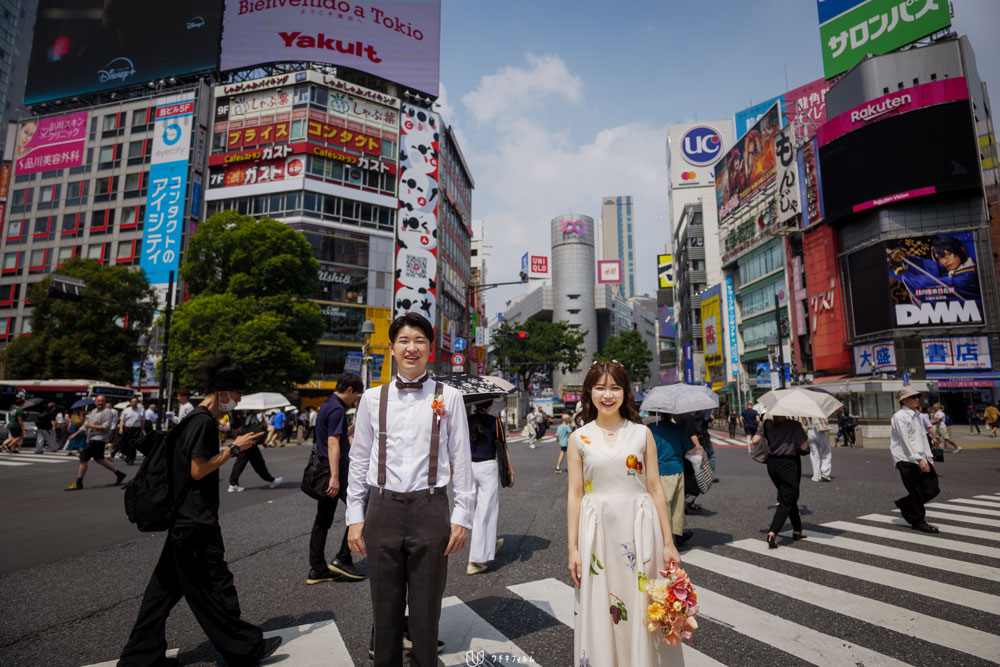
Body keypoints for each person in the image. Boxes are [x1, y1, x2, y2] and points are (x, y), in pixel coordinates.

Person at [117, 354, 281, 666]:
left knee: (160, 594)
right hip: (196, 523)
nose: (238, 399)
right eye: (236, 394)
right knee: (216, 587)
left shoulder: (192, 417)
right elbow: (197, 470)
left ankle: (140, 658)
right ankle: (244, 648)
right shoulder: (204, 423)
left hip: (183, 520)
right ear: (223, 391)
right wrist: (234, 449)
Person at [346, 313, 473, 667]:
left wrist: (462, 517)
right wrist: (355, 516)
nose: (411, 347)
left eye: (419, 340)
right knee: (384, 612)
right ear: (391, 349)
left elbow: (461, 460)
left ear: (430, 350)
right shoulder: (372, 398)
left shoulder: (449, 398)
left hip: (431, 509)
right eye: (404, 340)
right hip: (382, 508)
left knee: (426, 614)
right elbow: (358, 460)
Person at [567, 361, 681, 666]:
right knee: (602, 605)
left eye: (615, 387)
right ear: (589, 391)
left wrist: (668, 542)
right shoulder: (579, 438)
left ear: (625, 392)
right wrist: (573, 548)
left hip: (639, 529)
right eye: (600, 387)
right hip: (597, 533)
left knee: (642, 602)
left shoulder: (642, 434)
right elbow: (575, 494)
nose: (607, 395)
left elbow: (656, 488)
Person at [307, 373, 365, 585]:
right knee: (360, 506)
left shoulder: (326, 405)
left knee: (322, 519)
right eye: (355, 394)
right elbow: (333, 443)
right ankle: (343, 557)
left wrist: (353, 428)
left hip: (321, 466)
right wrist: (335, 476)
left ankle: (317, 568)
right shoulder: (339, 408)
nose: (355, 399)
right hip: (335, 467)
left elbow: (334, 435)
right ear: (349, 390)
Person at [467, 401, 514, 575]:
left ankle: (489, 542)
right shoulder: (494, 421)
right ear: (489, 406)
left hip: (470, 467)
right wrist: (510, 470)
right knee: (486, 511)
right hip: (487, 466)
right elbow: (502, 446)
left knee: (474, 509)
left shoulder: (467, 420)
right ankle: (475, 560)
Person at [751, 414, 809, 548]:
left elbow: (755, 440)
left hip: (772, 464)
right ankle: (773, 532)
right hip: (789, 463)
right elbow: (804, 447)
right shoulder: (794, 425)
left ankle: (797, 530)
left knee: (789, 496)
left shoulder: (766, 424)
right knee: (786, 500)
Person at [890, 387, 940, 534]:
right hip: (906, 458)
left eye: (918, 396)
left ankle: (906, 503)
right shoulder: (900, 417)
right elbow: (905, 440)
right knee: (916, 490)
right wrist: (918, 459)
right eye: (913, 397)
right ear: (904, 400)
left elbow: (922, 435)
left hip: (921, 456)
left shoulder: (917, 414)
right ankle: (918, 521)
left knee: (933, 487)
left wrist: (928, 455)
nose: (917, 399)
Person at [649, 412, 703, 548]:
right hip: (675, 469)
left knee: (660, 504)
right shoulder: (679, 429)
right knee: (676, 505)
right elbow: (692, 450)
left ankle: (658, 536)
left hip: (654, 470)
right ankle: (677, 534)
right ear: (672, 413)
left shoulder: (650, 428)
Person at [65, 395, 127, 491]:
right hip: (92, 438)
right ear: (95, 402)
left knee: (83, 459)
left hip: (98, 439)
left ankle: (78, 483)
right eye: (98, 401)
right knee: (99, 459)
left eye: (102, 401)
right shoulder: (93, 412)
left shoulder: (107, 412)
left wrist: (91, 426)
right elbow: (85, 426)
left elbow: (106, 427)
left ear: (105, 402)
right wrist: (74, 435)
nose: (100, 403)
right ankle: (119, 474)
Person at [116, 397, 145, 465]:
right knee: (125, 444)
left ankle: (131, 459)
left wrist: (142, 430)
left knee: (132, 444)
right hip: (127, 428)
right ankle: (127, 455)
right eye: (133, 401)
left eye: (136, 401)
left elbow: (142, 421)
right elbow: (122, 420)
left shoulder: (141, 410)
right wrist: (121, 428)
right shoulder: (126, 410)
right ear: (130, 403)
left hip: (136, 429)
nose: (134, 403)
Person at [806, 417, 832, 482]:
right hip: (818, 431)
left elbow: (804, 423)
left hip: (809, 432)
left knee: (814, 454)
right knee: (827, 451)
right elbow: (826, 422)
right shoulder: (818, 408)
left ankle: (816, 476)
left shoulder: (806, 408)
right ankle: (825, 473)